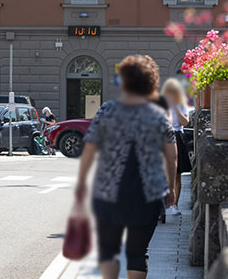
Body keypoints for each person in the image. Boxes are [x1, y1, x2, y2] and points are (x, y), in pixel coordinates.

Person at [74, 55, 178, 279]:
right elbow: (171, 157)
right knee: (138, 252)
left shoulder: (107, 110)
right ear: (152, 82)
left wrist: (82, 182)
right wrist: (171, 188)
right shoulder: (159, 115)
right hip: (149, 192)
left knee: (109, 250)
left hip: (110, 191)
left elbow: (90, 149)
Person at [161, 78, 192, 215]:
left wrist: (175, 108)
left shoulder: (181, 105)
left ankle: (175, 205)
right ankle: (161, 204)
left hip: (177, 136)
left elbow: (185, 122)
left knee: (177, 174)